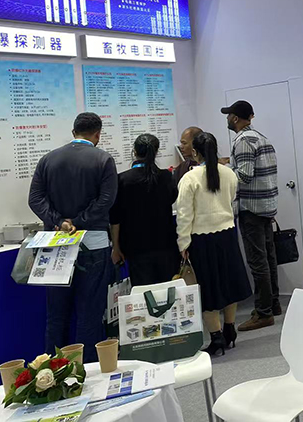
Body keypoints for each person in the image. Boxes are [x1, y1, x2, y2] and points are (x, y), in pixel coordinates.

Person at [28, 112, 117, 363]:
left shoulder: (48, 160)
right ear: (98, 135)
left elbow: (35, 199)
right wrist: (79, 221)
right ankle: (86, 371)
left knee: (57, 316)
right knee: (89, 314)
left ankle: (53, 370)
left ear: (73, 132)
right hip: (93, 245)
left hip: (55, 246)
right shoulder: (103, 159)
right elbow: (106, 200)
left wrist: (60, 222)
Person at [176, 132, 250, 355]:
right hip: (227, 235)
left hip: (201, 239)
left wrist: (183, 243)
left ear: (195, 152)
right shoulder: (229, 173)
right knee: (229, 283)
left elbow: (184, 215)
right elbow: (231, 199)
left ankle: (216, 337)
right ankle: (230, 329)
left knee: (208, 288)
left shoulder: (190, 178)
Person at [222, 100, 281, 332]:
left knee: (258, 262)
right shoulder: (261, 138)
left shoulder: (242, 141)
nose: (227, 119)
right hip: (266, 206)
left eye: (229, 115)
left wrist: (222, 170)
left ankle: (263, 313)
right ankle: (273, 304)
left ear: (236, 118)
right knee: (268, 258)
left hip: (251, 208)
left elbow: (244, 176)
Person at [110, 134, 180, 287]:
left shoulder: (122, 180)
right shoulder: (166, 177)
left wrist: (116, 247)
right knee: (169, 291)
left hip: (135, 247)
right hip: (165, 243)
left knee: (142, 292)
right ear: (156, 152)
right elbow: (172, 199)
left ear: (134, 152)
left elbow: (115, 218)